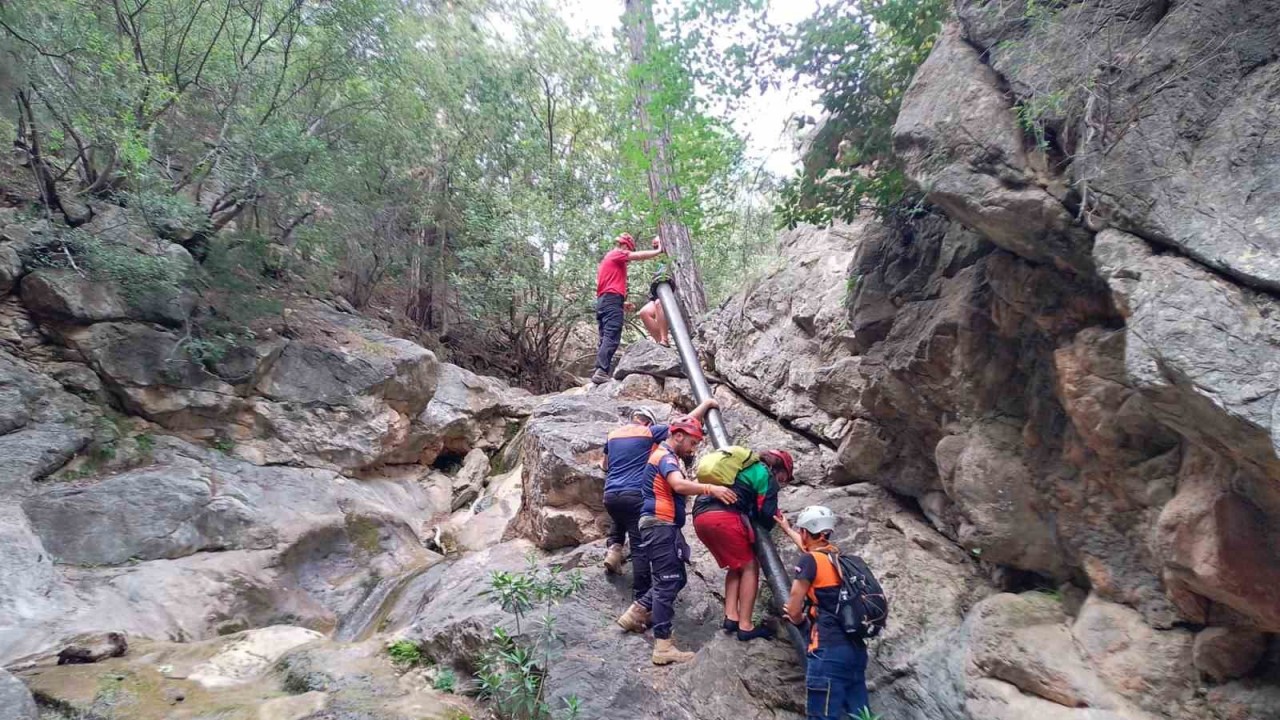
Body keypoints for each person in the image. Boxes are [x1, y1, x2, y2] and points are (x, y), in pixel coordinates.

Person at [615, 416, 737, 665]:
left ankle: (637, 611)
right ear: (678, 436)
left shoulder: (664, 455)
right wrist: (710, 489)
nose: (693, 448)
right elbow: (678, 485)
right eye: (692, 442)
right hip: (660, 525)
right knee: (667, 583)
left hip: (662, 525)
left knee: (676, 577)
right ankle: (663, 647)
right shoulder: (666, 457)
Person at [601, 396, 721, 598]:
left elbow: (604, 465)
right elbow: (681, 427)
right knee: (639, 547)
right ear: (648, 422)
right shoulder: (648, 432)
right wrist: (706, 404)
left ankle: (614, 549)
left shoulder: (612, 435)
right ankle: (641, 596)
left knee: (620, 514)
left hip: (610, 494)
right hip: (635, 494)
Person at [777, 506, 870, 720]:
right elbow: (810, 549)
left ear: (805, 532)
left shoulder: (810, 562)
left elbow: (793, 606)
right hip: (855, 651)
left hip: (828, 650)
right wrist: (787, 529)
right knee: (862, 715)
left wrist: (798, 620)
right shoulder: (837, 557)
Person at [691, 449, 794, 642]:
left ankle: (731, 617)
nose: (783, 482)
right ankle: (745, 625)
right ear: (780, 470)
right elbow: (767, 514)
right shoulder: (765, 475)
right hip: (724, 519)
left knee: (736, 566)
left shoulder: (739, 468)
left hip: (700, 517)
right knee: (750, 567)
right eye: (785, 477)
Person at [593, 234, 664, 384]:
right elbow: (638, 256)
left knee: (605, 336)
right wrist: (658, 251)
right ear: (625, 246)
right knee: (611, 335)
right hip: (610, 300)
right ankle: (601, 371)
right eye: (629, 251)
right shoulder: (617, 254)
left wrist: (621, 303)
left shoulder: (607, 260)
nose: (628, 260)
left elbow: (606, 288)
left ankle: (600, 371)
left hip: (605, 301)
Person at [637, 271, 669, 346]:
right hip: (659, 290)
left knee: (659, 303)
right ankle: (660, 342)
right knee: (644, 312)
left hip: (670, 292)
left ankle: (664, 339)